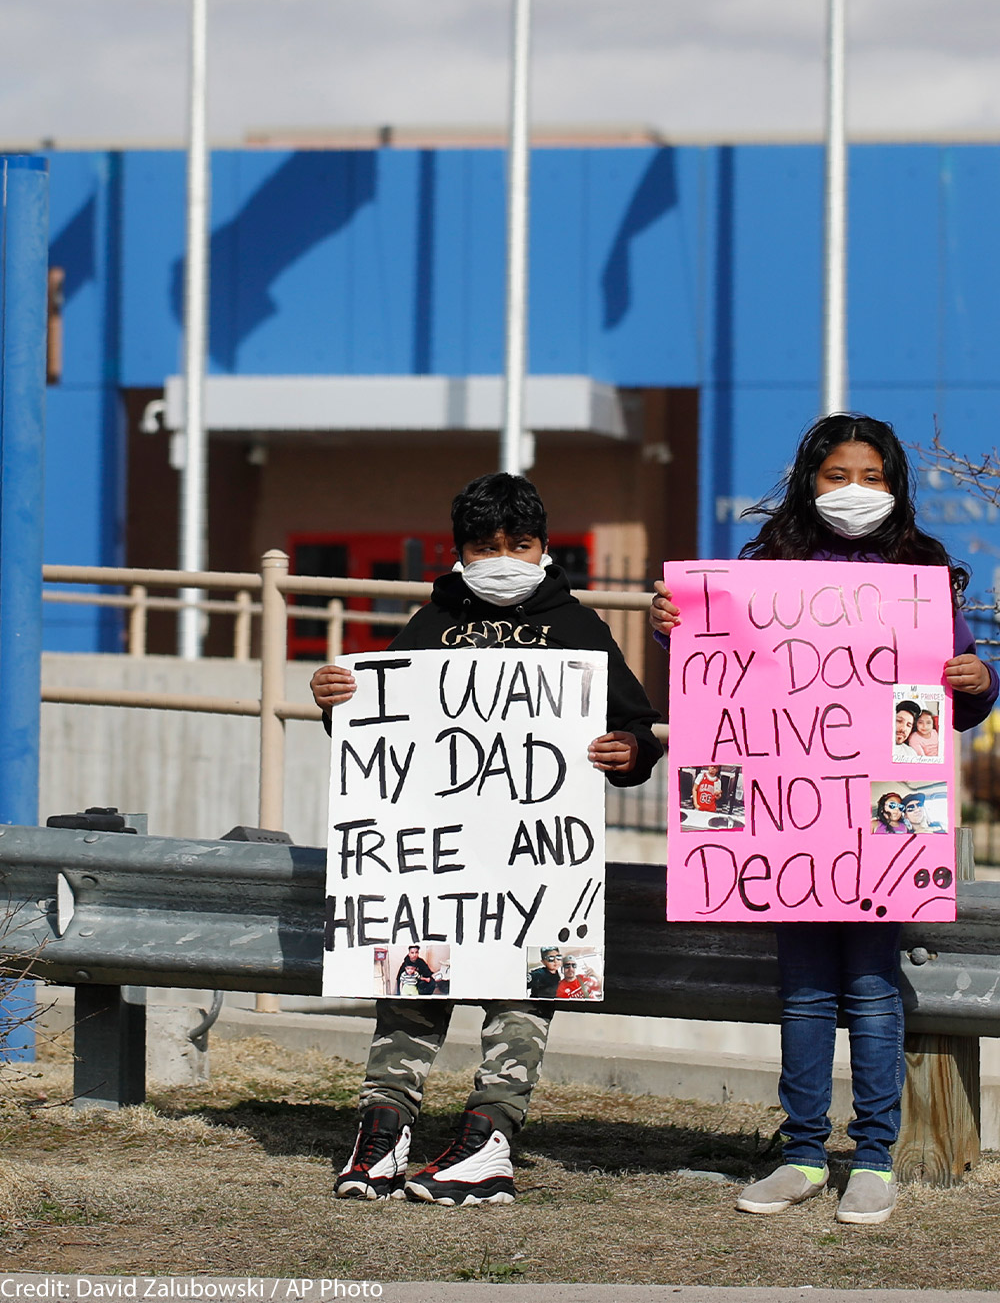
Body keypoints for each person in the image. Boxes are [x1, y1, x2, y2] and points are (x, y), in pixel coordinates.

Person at [649, 412, 997, 1228]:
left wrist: (976, 677)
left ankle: (873, 1157)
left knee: (874, 990)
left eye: (872, 477)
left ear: (897, 486)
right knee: (804, 993)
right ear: (810, 481)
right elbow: (725, 687)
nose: (854, 492)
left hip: (882, 814)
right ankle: (804, 1151)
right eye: (837, 475)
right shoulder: (767, 569)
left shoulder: (924, 572)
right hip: (787, 828)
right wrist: (676, 632)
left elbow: (952, 702)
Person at [313, 471, 661, 1206]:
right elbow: (381, 728)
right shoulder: (431, 621)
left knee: (527, 992)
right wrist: (336, 703)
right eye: (484, 546)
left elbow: (634, 726)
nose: (502, 557)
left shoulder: (577, 627)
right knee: (412, 982)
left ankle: (490, 1138)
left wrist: (628, 753)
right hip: (432, 865)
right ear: (460, 551)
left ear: (543, 547)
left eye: (519, 544)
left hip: (539, 865)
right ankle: (383, 1129)